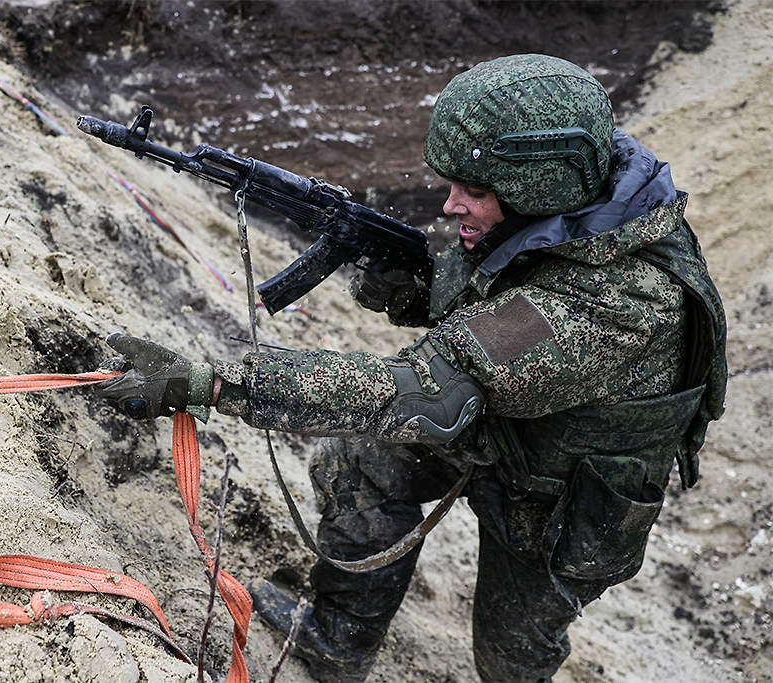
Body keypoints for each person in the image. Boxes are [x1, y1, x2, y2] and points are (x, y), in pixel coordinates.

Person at [93, 54, 727, 683]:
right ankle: (336, 646)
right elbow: (489, 298)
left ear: (538, 188)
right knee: (361, 461)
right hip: (495, 424)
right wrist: (402, 277)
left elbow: (427, 392)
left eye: (474, 192)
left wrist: (213, 382)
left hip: (559, 498)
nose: (452, 207)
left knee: (508, 660)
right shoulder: (566, 206)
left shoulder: (626, 297)